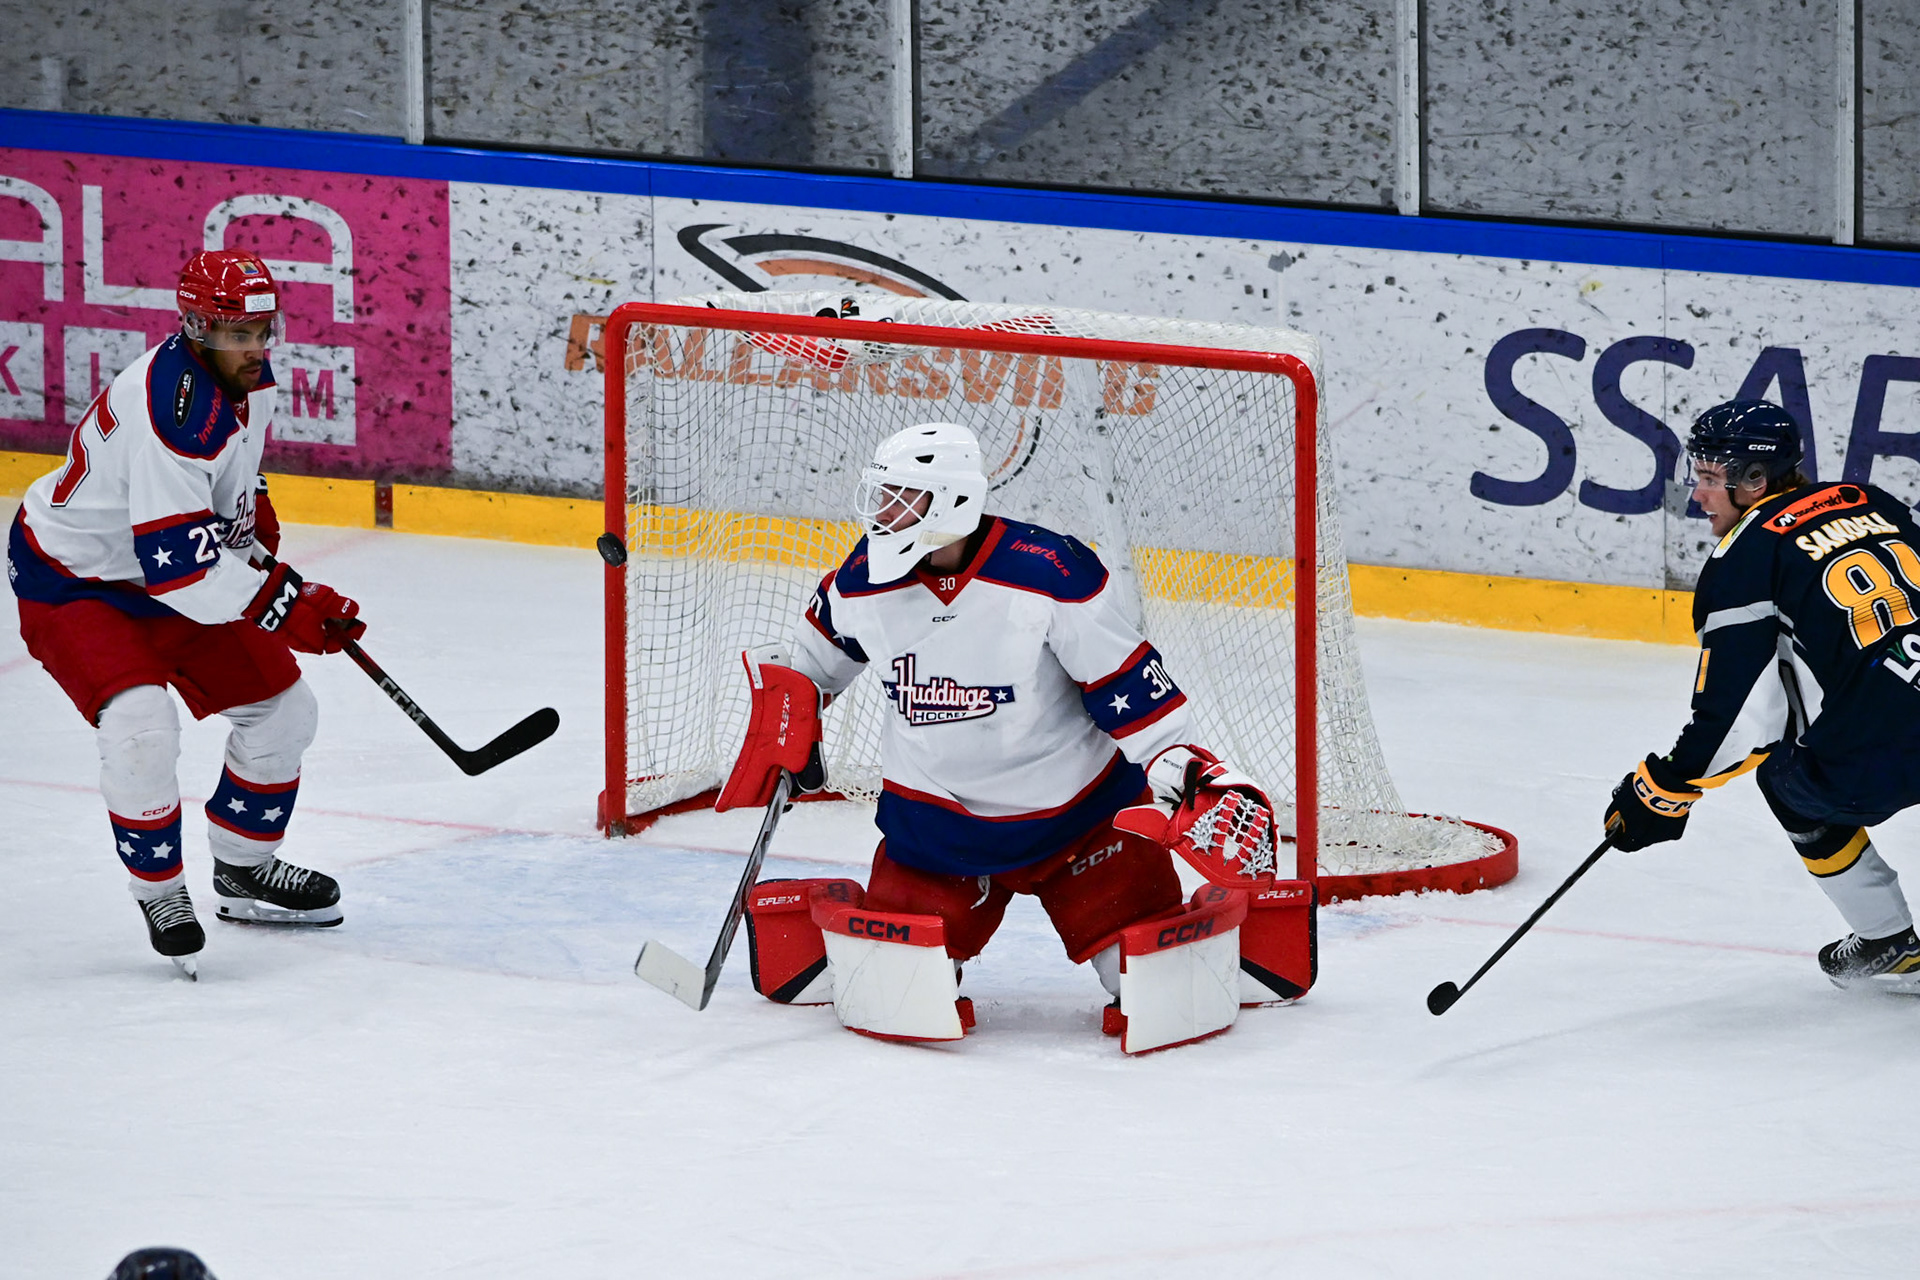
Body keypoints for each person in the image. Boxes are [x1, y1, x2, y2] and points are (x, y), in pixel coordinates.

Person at [719, 421, 1274, 1043]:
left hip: (1081, 822)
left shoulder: (1049, 572)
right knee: (898, 993)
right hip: (937, 832)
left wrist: (1182, 766)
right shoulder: (860, 581)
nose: (883, 513)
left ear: (954, 501)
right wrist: (787, 723)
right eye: (882, 495)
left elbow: (1125, 680)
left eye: (904, 498)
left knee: (1158, 986)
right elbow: (810, 668)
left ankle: (1233, 941)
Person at [7, 249, 364, 977]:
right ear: (197, 328)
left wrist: (256, 531)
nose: (256, 348)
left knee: (285, 712)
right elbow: (185, 571)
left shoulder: (246, 378)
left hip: (161, 567)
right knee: (141, 724)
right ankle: (161, 892)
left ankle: (244, 867)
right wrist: (286, 606)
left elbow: (225, 495)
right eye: (238, 334)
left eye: (263, 331)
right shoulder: (172, 412)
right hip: (76, 579)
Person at [1603, 399, 1920, 989]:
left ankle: (1887, 940)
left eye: (1709, 478)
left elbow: (1743, 719)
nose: (1698, 496)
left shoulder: (1745, 558)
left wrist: (1665, 789)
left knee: (1786, 777)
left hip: (1885, 748)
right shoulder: (1870, 500)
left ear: (1754, 480)